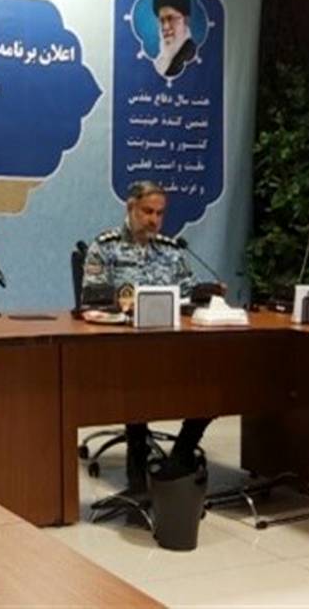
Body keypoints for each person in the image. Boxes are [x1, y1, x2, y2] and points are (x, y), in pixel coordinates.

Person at [83, 180, 213, 493]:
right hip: (125, 349)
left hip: (172, 345)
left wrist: (205, 294)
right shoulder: (105, 246)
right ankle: (137, 469)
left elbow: (188, 295)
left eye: (160, 213)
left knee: (213, 382)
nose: (154, 220)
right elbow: (92, 299)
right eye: (147, 211)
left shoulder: (170, 250)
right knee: (137, 384)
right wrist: (121, 307)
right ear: (131, 208)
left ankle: (181, 455)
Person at [152, 0, 196, 77]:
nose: (165, 27)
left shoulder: (191, 56)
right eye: (162, 20)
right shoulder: (161, 61)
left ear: (186, 20)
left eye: (171, 18)